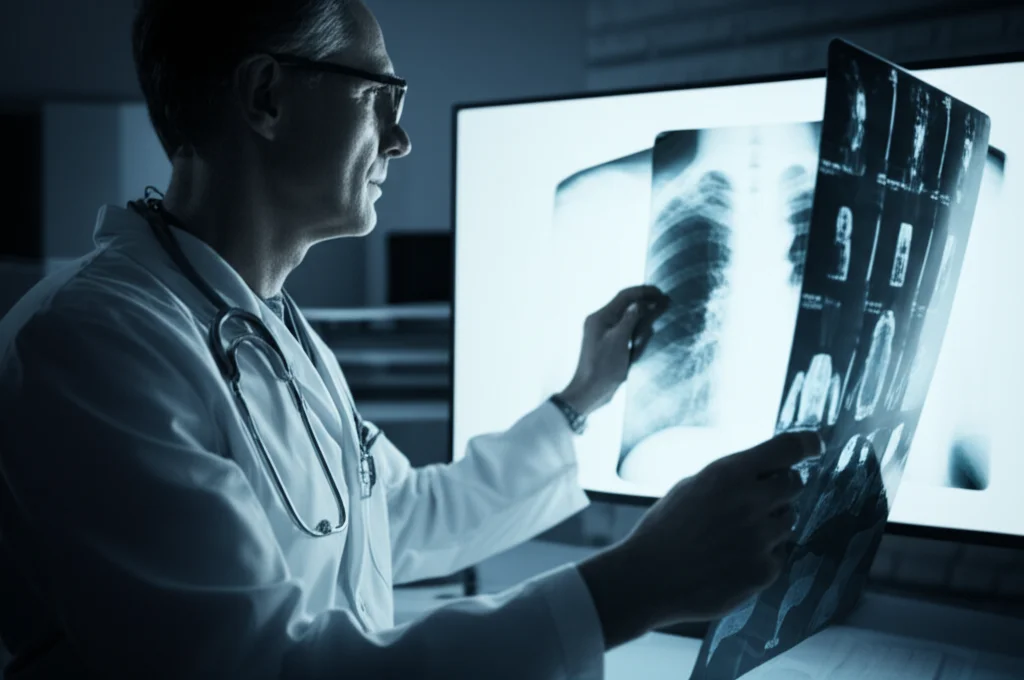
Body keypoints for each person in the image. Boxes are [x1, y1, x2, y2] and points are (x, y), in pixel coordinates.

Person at [0, 1, 821, 678]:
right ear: (266, 96)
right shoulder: (91, 345)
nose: (401, 139)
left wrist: (580, 400)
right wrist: (631, 587)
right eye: (380, 97)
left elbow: (407, 519)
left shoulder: (271, 329)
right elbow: (252, 668)